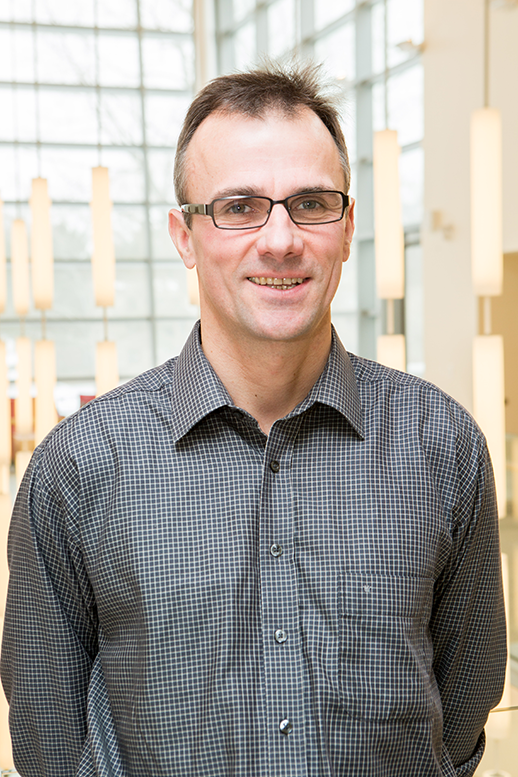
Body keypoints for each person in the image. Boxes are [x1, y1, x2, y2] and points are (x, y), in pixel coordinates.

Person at [1, 63, 506, 777]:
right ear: (184, 237)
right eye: (239, 207)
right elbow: (48, 734)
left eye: (311, 203)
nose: (280, 239)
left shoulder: (443, 445)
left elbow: (462, 708)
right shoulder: (79, 465)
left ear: (347, 227)